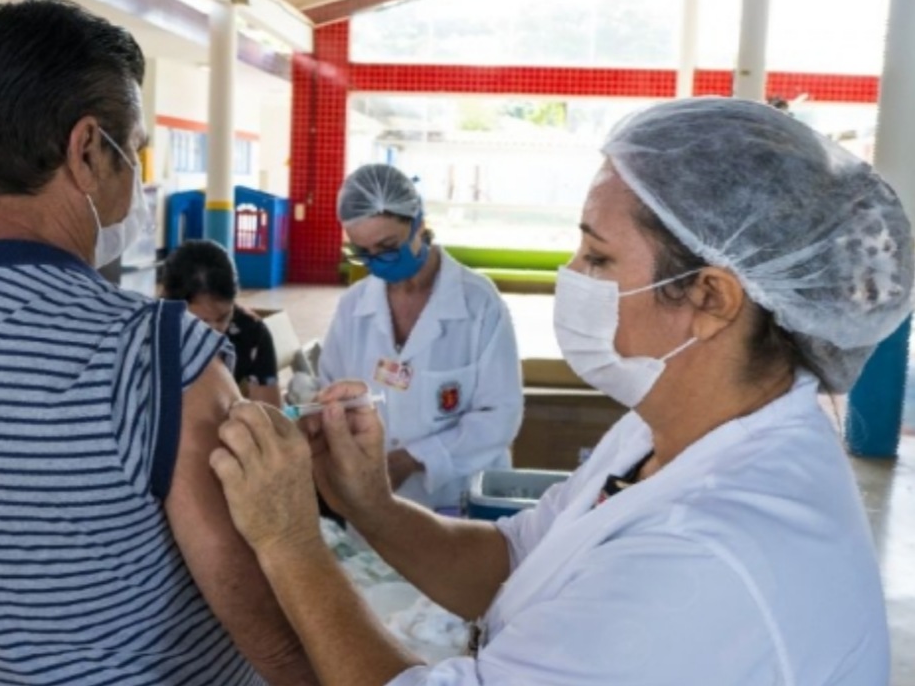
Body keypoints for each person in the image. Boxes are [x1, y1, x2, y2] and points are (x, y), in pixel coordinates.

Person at [208, 97, 912, 685]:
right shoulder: (666, 432)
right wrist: (371, 505)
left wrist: (287, 536)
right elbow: (515, 559)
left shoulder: (714, 549)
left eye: (598, 256)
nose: (568, 274)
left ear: (711, 297)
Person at [0, 0, 315, 686]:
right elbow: (275, 641)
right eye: (136, 148)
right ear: (89, 149)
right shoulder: (157, 358)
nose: (137, 177)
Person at [317, 163, 523, 511]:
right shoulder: (354, 308)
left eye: (387, 246)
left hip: (456, 502)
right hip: (375, 502)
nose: (377, 262)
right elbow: (330, 391)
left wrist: (414, 459)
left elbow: (500, 414)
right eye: (363, 253)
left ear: (418, 223)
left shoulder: (478, 303)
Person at [161, 239, 281, 408]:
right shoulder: (150, 332)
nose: (215, 331)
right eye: (202, 322)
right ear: (171, 307)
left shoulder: (251, 332)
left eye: (223, 318)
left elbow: (270, 413)